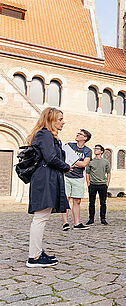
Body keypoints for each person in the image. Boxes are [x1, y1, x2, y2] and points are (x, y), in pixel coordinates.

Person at [26, 107, 71, 267]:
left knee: (41, 217)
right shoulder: (44, 134)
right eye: (60, 119)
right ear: (50, 120)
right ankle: (34, 257)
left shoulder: (46, 135)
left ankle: (36, 252)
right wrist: (66, 166)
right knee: (40, 217)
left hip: (46, 178)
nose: (63, 122)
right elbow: (51, 158)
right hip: (44, 179)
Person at [61, 128, 92, 231]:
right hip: (67, 176)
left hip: (78, 178)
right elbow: (63, 159)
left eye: (80, 134)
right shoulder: (69, 146)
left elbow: (84, 164)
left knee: (77, 201)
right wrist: (76, 163)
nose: (77, 135)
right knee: (66, 199)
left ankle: (77, 223)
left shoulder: (88, 151)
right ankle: (65, 223)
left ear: (85, 138)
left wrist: (72, 162)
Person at [85, 144, 111, 225]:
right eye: (95, 148)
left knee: (103, 203)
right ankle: (91, 219)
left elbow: (108, 173)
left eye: (97, 149)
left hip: (102, 185)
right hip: (92, 185)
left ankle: (103, 219)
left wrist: (107, 183)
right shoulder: (91, 162)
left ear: (101, 151)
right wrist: (88, 183)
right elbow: (87, 173)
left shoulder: (105, 162)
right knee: (91, 203)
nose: (95, 150)